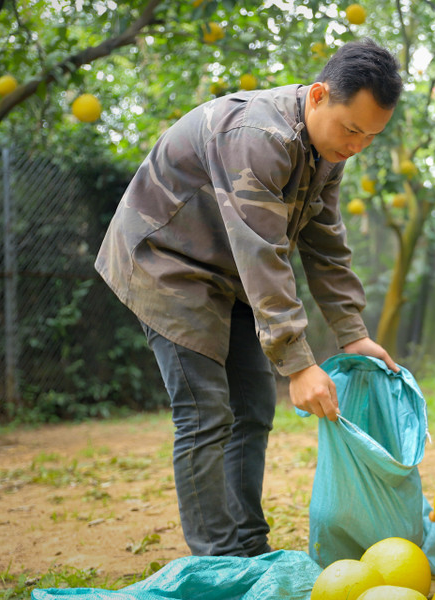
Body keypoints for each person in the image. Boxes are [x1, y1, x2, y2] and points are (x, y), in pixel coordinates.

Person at [95, 38, 402, 558]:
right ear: (321, 95)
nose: (357, 145)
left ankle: (247, 547)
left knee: (254, 406)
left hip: (228, 272)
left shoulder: (328, 149)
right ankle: (218, 562)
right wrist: (299, 363)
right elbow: (262, 250)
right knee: (205, 412)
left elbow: (324, 242)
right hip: (167, 262)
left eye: (371, 137)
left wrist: (353, 335)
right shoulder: (258, 135)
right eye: (352, 130)